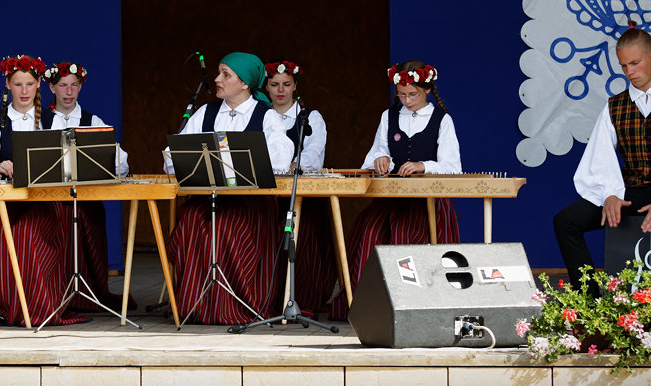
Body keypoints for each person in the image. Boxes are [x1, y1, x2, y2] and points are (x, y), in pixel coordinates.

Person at [553, 23, 651, 292]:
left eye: (635, 63)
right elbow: (599, 157)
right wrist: (610, 195)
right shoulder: (614, 106)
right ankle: (589, 299)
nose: (630, 72)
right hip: (630, 191)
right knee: (566, 220)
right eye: (624, 66)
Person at [165, 52, 294, 325]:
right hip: (209, 198)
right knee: (190, 220)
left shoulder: (267, 116)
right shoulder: (205, 113)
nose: (217, 79)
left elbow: (281, 160)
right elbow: (174, 154)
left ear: (245, 83)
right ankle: (197, 303)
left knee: (226, 224)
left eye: (226, 74)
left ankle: (234, 304)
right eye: (218, 72)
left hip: (250, 203)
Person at [327, 60, 461, 320]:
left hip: (427, 204)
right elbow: (375, 155)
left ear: (427, 91)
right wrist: (381, 159)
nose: (407, 100)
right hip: (391, 201)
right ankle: (369, 309)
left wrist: (424, 165)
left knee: (413, 246)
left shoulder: (442, 120)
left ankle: (421, 311)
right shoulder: (388, 116)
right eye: (401, 94)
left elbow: (453, 166)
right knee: (369, 235)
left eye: (413, 94)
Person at [0, 55, 83, 326]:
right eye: (18, 84)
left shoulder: (55, 121)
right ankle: (8, 309)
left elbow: (72, 163)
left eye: (30, 84)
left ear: (39, 84)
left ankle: (40, 306)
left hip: (44, 206)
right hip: (5, 208)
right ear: (8, 85)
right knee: (9, 232)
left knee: (29, 232)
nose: (25, 91)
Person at [41, 60, 128, 312]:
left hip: (84, 200)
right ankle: (53, 289)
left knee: (83, 213)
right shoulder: (40, 120)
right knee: (57, 215)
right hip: (49, 201)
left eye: (74, 85)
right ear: (51, 88)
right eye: (63, 85)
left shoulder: (92, 120)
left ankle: (84, 289)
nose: (69, 92)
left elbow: (120, 162)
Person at [260, 60, 333, 314]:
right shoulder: (261, 116)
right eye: (274, 85)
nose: (280, 90)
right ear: (266, 88)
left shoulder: (310, 117)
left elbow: (314, 152)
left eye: (286, 84)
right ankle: (267, 297)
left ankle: (301, 298)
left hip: (301, 193)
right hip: (268, 194)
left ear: (295, 86)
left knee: (305, 237)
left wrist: (296, 163)